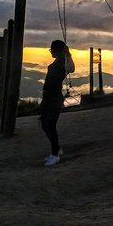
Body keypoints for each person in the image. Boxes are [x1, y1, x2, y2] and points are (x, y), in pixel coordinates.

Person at [41, 39, 75, 167]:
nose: (51, 52)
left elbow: (72, 69)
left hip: (54, 98)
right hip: (48, 96)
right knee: (45, 124)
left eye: (52, 50)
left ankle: (55, 155)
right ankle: (56, 148)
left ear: (57, 50)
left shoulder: (62, 61)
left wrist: (69, 54)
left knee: (49, 125)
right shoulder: (58, 60)